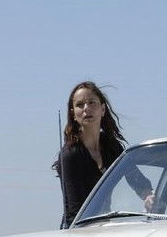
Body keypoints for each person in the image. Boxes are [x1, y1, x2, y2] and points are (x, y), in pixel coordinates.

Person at [54, 81, 154, 228]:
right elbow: (75, 211)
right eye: (80, 105)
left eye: (91, 102)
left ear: (102, 109)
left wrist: (148, 195)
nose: (86, 108)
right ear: (73, 114)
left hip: (104, 226)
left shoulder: (112, 148)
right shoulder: (70, 155)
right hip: (77, 230)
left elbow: (137, 179)